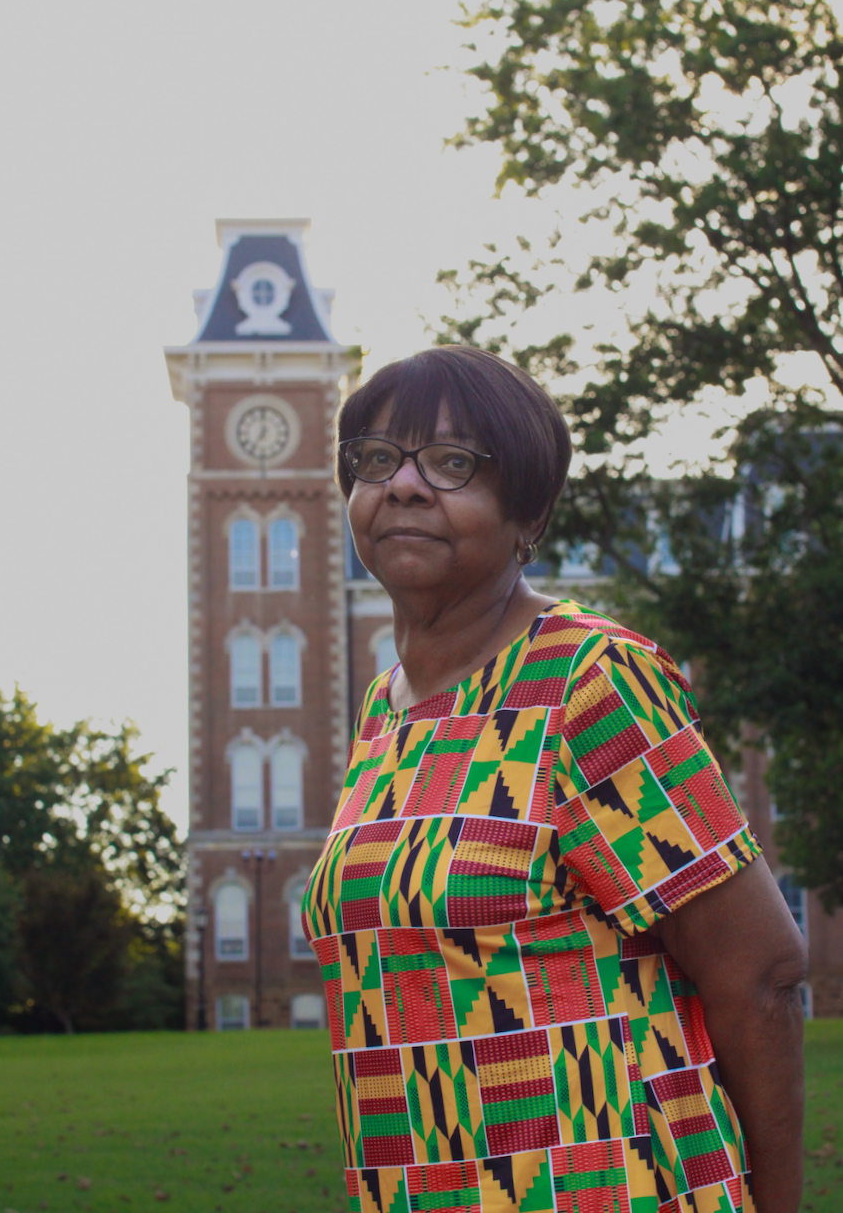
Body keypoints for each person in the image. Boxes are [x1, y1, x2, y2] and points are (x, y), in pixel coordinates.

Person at [302, 345, 807, 1213]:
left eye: (452, 463)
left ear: (527, 511)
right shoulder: (385, 716)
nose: (404, 485)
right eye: (377, 460)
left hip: (615, 1188)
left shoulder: (591, 682)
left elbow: (758, 972)